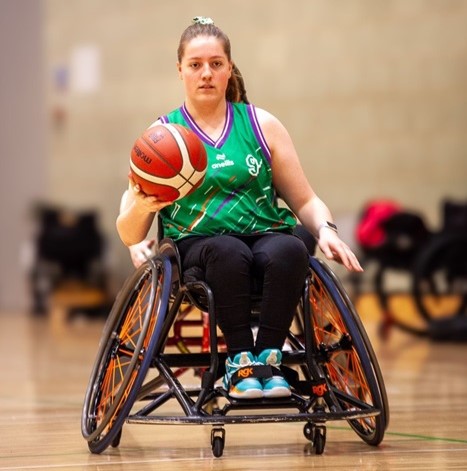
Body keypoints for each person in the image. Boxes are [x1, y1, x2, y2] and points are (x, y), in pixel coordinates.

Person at [117, 16, 363, 400]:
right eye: (195, 65)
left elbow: (304, 200)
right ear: (180, 70)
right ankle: (238, 361)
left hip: (264, 236)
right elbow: (130, 229)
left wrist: (327, 231)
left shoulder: (262, 124)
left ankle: (268, 358)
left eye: (216, 64)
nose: (206, 73)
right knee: (227, 249)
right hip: (197, 247)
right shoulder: (161, 137)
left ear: (229, 68)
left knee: (291, 246)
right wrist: (139, 219)